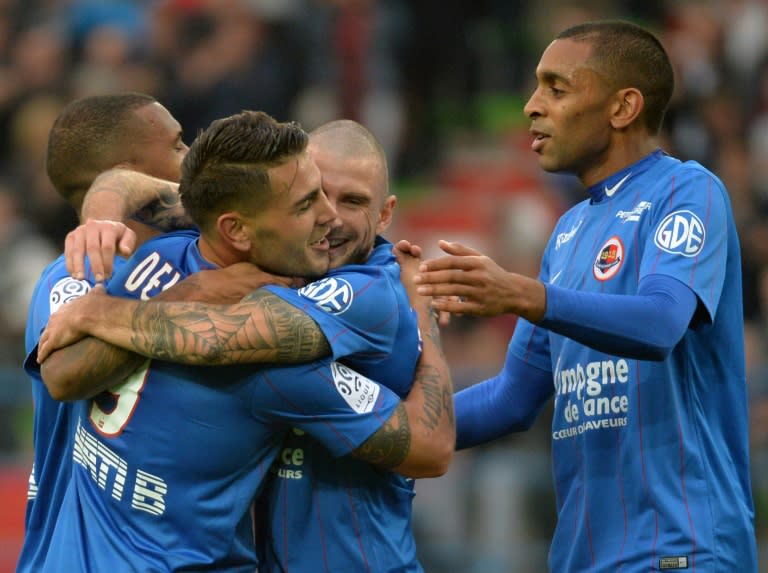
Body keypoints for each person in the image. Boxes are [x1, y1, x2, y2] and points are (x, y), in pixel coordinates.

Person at [35, 110, 454, 571]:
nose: (329, 216)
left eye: (345, 199)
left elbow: (63, 371)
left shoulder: (152, 260)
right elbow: (427, 444)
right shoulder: (274, 366)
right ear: (235, 228)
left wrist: (104, 293)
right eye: (307, 202)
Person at [410, 19, 758, 572]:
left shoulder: (688, 191)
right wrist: (380, 431)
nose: (531, 105)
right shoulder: (568, 232)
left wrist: (524, 295)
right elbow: (510, 399)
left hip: (680, 550)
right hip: (583, 557)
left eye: (556, 87)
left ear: (623, 108)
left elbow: (662, 323)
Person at [16, 92, 190, 573]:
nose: (190, 154)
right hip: (78, 557)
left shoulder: (189, 256)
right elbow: (65, 375)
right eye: (177, 145)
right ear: (132, 172)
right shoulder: (75, 277)